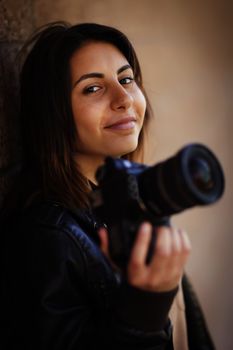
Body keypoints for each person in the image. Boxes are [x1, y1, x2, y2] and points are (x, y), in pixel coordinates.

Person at [1, 22, 215, 350]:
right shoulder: (47, 237)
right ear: (54, 114)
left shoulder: (127, 203)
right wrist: (145, 308)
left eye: (126, 79)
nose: (124, 98)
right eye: (92, 88)